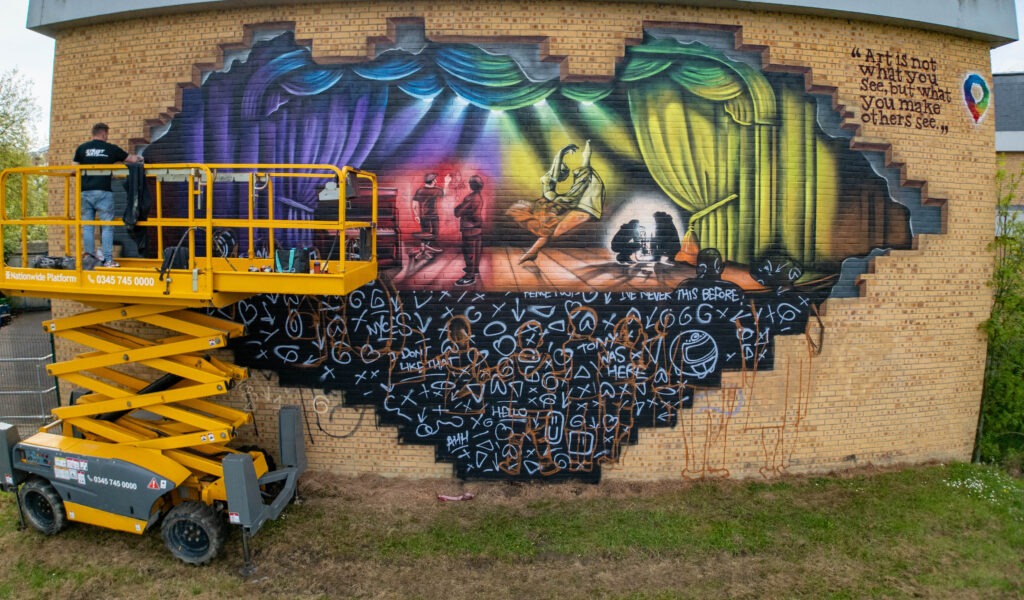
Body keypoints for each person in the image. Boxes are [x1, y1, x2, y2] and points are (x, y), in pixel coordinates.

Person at [507, 140, 604, 263]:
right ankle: (531, 253)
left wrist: (586, 150)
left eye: (565, 174)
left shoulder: (558, 188)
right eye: (564, 173)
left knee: (548, 234)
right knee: (548, 233)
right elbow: (556, 167)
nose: (564, 177)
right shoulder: (550, 180)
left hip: (551, 210)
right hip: (545, 211)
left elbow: (583, 164)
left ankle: (531, 253)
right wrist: (562, 152)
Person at [72, 123, 141, 267]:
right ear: (104, 134)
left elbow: (74, 170)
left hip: (85, 192)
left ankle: (90, 257)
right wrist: (140, 158)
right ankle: (108, 259)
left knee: (88, 226)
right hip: (103, 192)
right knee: (107, 226)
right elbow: (132, 159)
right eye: (107, 134)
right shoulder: (110, 149)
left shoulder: (82, 149)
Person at [410, 172, 450, 259]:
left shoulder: (419, 191)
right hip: (434, 216)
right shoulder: (437, 190)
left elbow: (414, 205)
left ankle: (425, 247)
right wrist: (446, 182)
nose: (436, 181)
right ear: (432, 181)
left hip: (423, 216)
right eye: (435, 179)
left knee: (426, 233)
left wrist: (416, 215)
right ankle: (425, 248)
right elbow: (445, 193)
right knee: (434, 234)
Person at [453, 175, 484, 286]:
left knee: (468, 251)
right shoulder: (479, 196)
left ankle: (469, 277)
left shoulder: (470, 198)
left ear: (471, 185)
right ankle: (474, 270)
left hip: (469, 228)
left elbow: (457, 213)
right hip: (477, 227)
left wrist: (457, 207)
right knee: (475, 250)